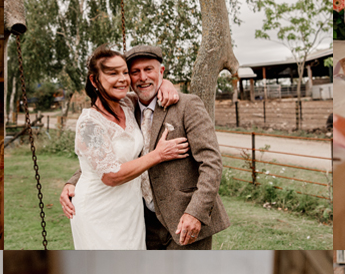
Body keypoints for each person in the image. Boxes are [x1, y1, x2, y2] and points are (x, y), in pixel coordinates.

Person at [61, 44, 230, 249]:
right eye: (134, 72)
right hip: (140, 219)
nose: (142, 77)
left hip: (183, 217)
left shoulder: (184, 105)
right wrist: (74, 181)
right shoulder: (124, 108)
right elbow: (104, 159)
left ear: (161, 71)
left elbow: (211, 162)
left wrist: (195, 212)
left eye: (148, 69)